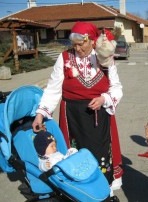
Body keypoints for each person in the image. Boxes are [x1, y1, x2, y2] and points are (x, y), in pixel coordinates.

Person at [32, 21, 123, 201]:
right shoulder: (64, 58)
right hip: (72, 116)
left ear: (92, 41)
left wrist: (104, 98)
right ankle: (80, 194)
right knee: (74, 155)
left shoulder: (104, 57)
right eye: (74, 45)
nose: (78, 48)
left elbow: (117, 88)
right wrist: (40, 114)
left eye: (81, 44)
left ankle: (104, 192)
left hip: (99, 116)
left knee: (101, 155)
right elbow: (53, 89)